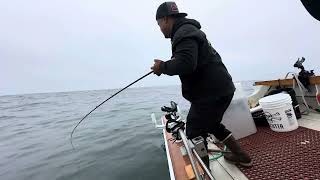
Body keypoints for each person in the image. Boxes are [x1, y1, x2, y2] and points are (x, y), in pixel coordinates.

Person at [151, 2, 252, 168]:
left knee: (194, 131)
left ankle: (204, 173)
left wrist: (161, 67)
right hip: (221, 89)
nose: (160, 28)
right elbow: (190, 61)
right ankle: (240, 155)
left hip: (210, 94)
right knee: (212, 124)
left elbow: (186, 63)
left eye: (159, 24)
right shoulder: (188, 31)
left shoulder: (183, 33)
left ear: (166, 19)